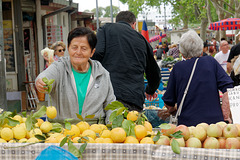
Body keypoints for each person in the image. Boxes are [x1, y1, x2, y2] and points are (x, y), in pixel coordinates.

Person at [35, 27, 116, 124]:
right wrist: (41, 82)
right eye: (74, 47)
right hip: (62, 132)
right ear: (68, 48)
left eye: (84, 48)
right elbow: (46, 76)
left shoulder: (102, 73)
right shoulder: (59, 67)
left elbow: (111, 104)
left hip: (95, 132)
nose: (78, 52)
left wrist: (112, 124)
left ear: (92, 52)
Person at [92, 11, 161, 112]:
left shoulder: (105, 29)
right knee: (132, 126)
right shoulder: (142, 39)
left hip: (108, 95)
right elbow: (154, 71)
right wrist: (150, 90)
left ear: (116, 21)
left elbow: (97, 53)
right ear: (134, 24)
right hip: (133, 98)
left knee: (107, 127)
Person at [162, 30, 233, 127]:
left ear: (182, 53)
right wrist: (225, 116)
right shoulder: (211, 62)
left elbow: (168, 102)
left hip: (188, 127)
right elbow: (228, 89)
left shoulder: (178, 68)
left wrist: (174, 110)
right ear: (201, 50)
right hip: (214, 126)